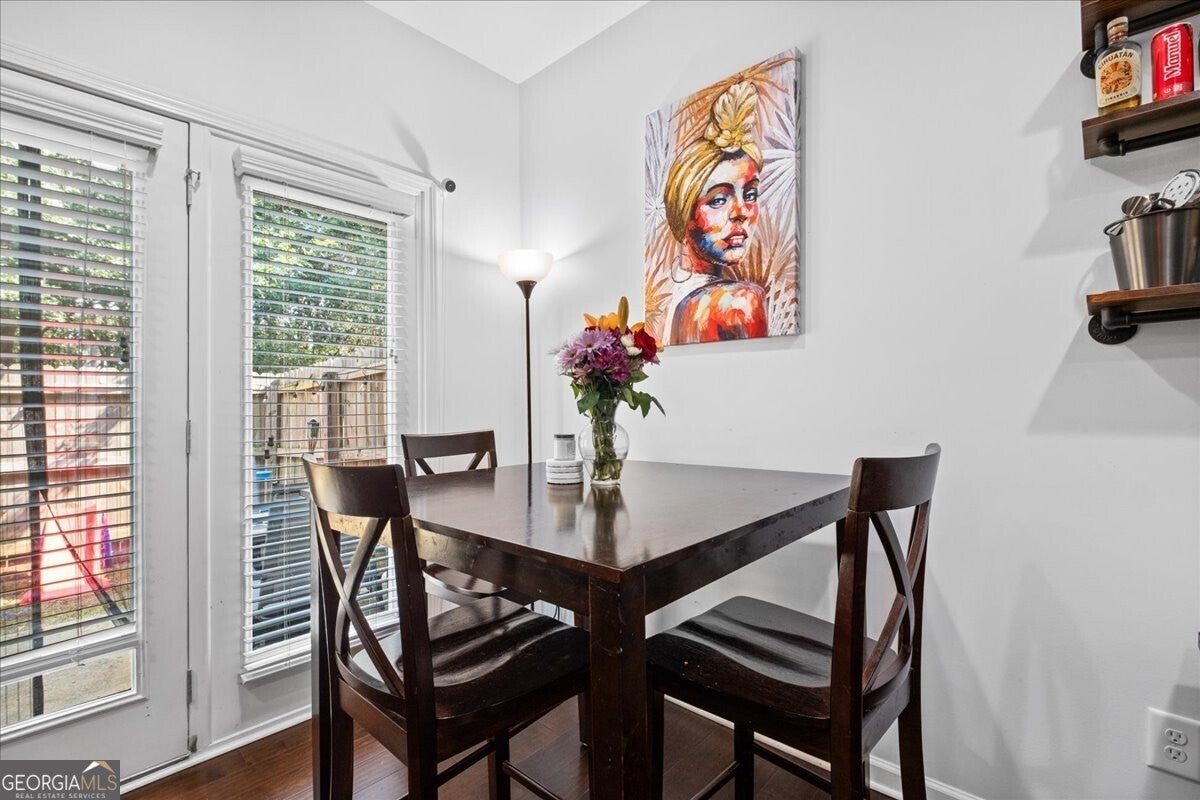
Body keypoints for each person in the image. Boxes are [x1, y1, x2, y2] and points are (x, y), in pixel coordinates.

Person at [662, 81, 768, 343]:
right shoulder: (741, 303)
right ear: (683, 215)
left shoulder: (670, 305)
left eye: (750, 195)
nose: (741, 212)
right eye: (719, 199)